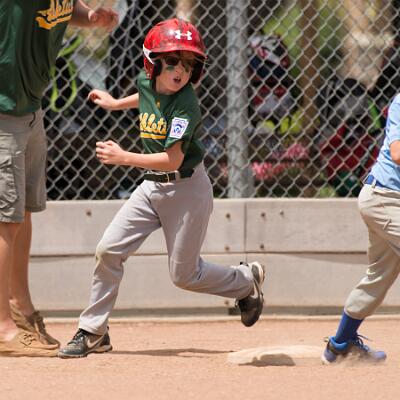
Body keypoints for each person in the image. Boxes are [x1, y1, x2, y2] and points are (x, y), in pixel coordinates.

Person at [58, 18, 266, 358]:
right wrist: (114, 103)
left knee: (184, 276)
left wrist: (124, 157)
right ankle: (94, 331)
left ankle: (244, 281)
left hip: (186, 190)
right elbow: (145, 95)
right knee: (108, 250)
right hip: (151, 188)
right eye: (171, 61)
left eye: (188, 63)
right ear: (152, 63)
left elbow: (172, 160)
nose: (180, 70)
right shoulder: (147, 80)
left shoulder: (186, 104)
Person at [0, 1, 118, 357]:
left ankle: (20, 308)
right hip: (3, 109)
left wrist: (89, 17)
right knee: (4, 221)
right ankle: (2, 328)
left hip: (29, 106)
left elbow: (63, 7)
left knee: (22, 212)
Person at [321, 94, 400, 364]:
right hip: (386, 199)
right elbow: (397, 152)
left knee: (379, 278)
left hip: (387, 200)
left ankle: (340, 345)